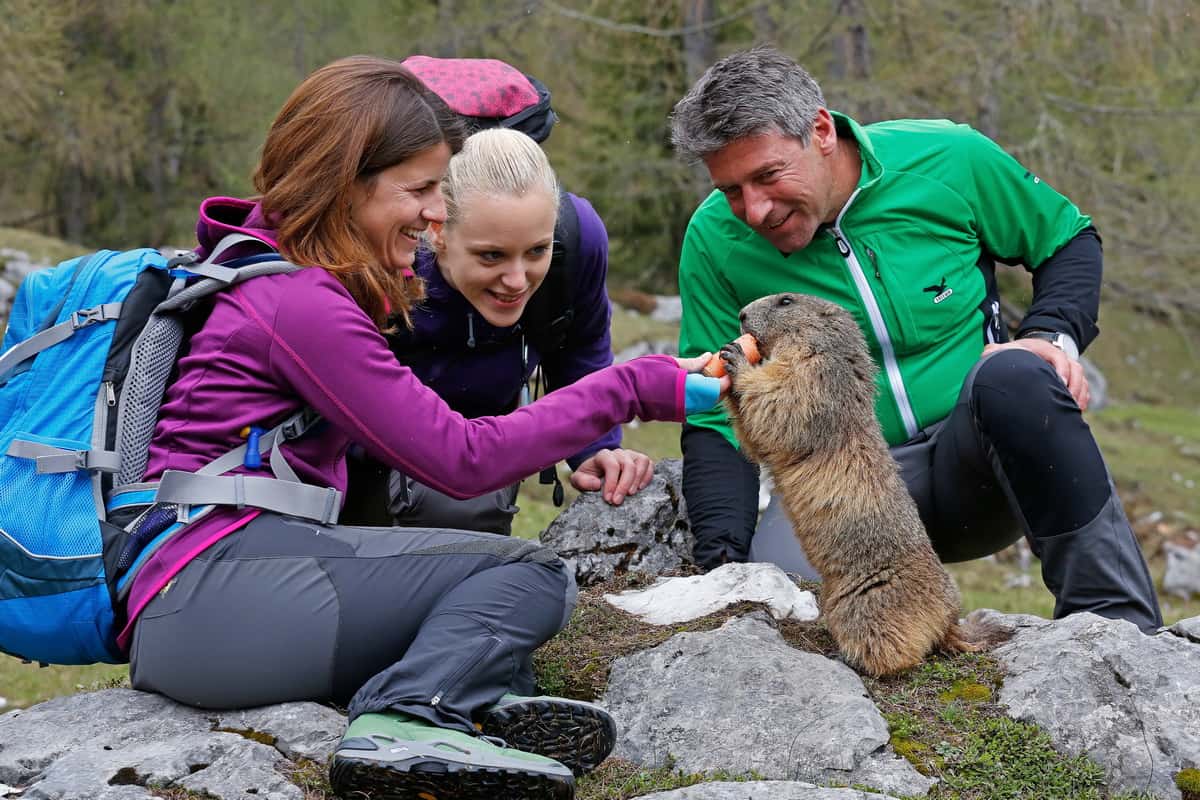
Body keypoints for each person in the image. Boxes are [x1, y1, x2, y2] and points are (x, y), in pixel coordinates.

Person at [121, 56, 724, 800]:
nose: (437, 212)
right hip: (210, 596)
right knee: (527, 575)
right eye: (421, 189)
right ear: (347, 182)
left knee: (467, 582)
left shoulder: (281, 272)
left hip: (210, 596)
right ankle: (410, 717)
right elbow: (461, 460)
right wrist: (634, 387)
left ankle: (472, 705)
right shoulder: (302, 304)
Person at [668, 46, 1163, 634]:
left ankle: (1121, 627)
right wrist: (722, 567)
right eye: (731, 189)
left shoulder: (947, 158)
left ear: (820, 131)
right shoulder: (713, 240)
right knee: (786, 609)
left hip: (979, 467)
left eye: (768, 176)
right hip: (842, 499)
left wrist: (1049, 337)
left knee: (1016, 375)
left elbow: (1066, 239)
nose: (754, 210)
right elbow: (716, 412)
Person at [336, 56, 653, 534]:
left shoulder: (579, 239)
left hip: (484, 456)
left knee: (465, 520)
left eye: (537, 251)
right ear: (436, 230)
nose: (517, 280)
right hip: (354, 448)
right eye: (491, 256)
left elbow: (580, 347)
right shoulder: (379, 255)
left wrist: (596, 445)